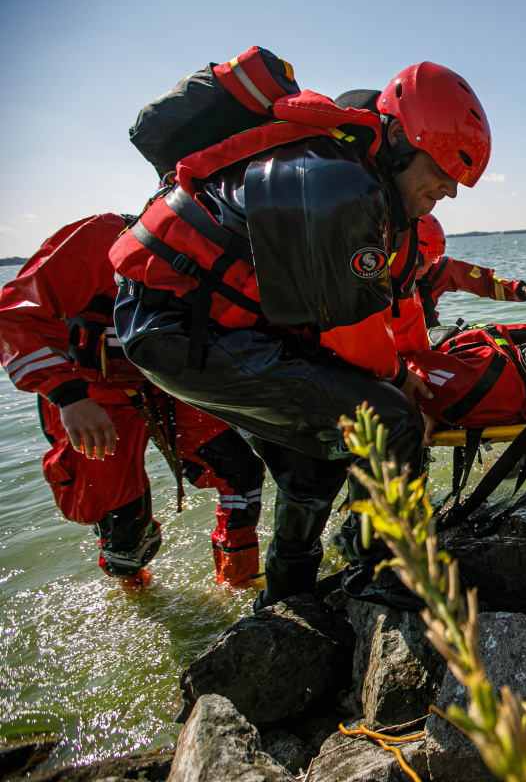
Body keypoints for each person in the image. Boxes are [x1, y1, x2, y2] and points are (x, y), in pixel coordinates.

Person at [109, 57, 492, 610]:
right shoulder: (340, 182)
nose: (449, 192)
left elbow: (384, 317)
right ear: (397, 140)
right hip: (177, 327)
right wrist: (401, 384)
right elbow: (354, 333)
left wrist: (405, 368)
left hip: (198, 323)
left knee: (318, 454)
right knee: (388, 421)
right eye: (442, 173)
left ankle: (287, 602)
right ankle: (383, 574)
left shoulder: (347, 175)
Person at [0, 213, 265, 585]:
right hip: (90, 394)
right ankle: (133, 588)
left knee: (242, 471)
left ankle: (238, 584)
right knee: (122, 520)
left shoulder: (234, 252)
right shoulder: (104, 236)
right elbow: (15, 317)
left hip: (169, 386)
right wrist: (68, 396)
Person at [413, 214, 526, 327]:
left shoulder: (439, 269)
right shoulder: (391, 283)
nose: (424, 269)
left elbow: (484, 282)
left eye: (431, 261)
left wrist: (523, 290)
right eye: (420, 262)